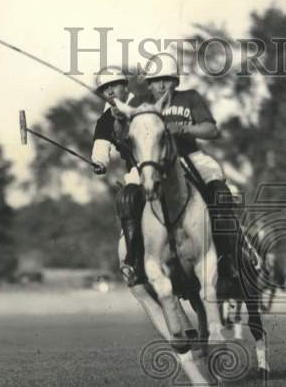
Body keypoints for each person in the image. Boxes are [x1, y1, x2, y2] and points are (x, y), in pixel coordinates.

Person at [142, 51, 243, 292]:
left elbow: (211, 130)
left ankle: (227, 259)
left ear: (175, 81)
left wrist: (184, 128)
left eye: (166, 79)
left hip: (191, 158)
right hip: (157, 163)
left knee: (220, 192)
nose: (161, 85)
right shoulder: (144, 107)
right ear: (149, 84)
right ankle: (139, 261)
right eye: (156, 80)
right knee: (132, 197)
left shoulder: (189, 98)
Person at [89, 67, 150, 287]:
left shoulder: (145, 103)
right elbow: (100, 149)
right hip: (137, 171)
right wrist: (99, 163)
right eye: (105, 88)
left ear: (125, 86)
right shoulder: (105, 119)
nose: (110, 91)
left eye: (113, 85)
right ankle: (133, 260)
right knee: (126, 198)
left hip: (165, 163)